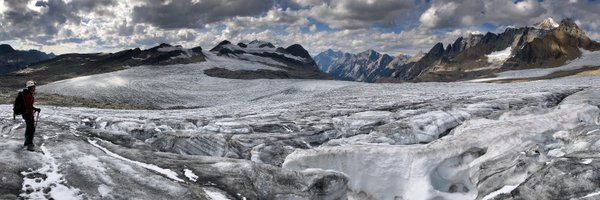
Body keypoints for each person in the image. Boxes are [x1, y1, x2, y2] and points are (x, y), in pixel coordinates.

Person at [22, 80, 41, 151]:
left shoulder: (28, 94)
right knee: (30, 129)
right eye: (33, 86)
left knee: (29, 129)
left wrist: (35, 109)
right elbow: (28, 107)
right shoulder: (28, 95)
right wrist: (30, 116)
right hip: (28, 115)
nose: (35, 87)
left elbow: (30, 106)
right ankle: (29, 144)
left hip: (27, 114)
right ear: (30, 87)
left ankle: (27, 142)